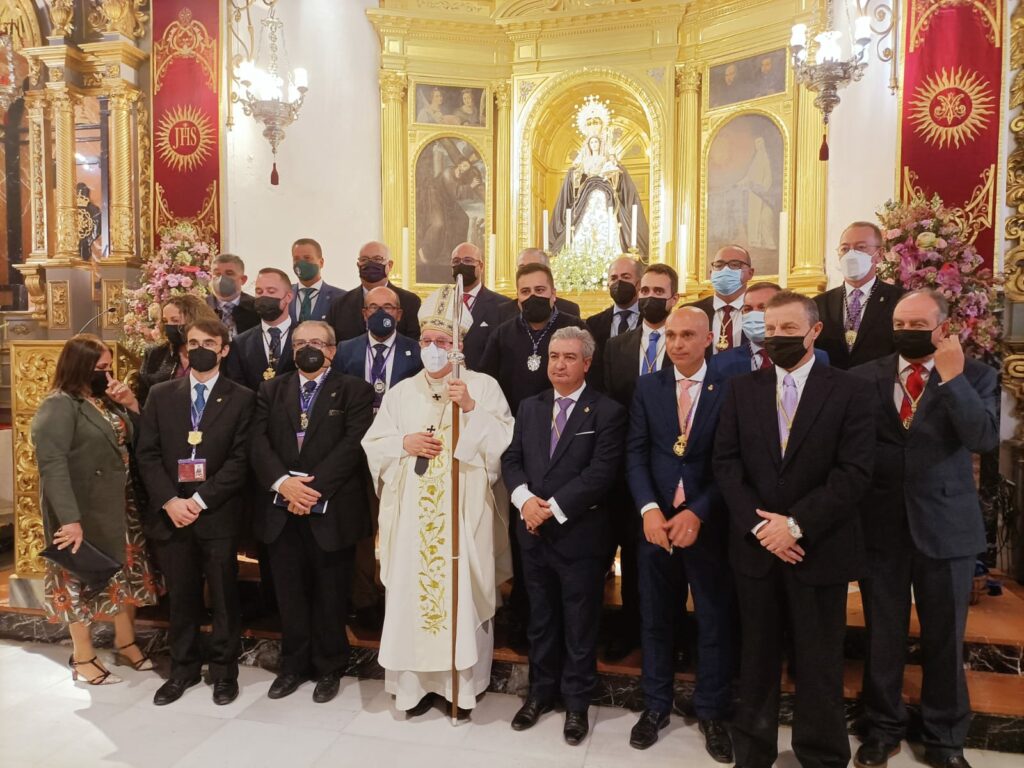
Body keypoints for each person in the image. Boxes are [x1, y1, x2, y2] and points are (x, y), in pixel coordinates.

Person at [713, 290, 874, 768]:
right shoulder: (742, 389)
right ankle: (752, 753)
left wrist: (797, 525)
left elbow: (854, 472)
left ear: (814, 331)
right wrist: (763, 528)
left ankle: (822, 755)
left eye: (788, 329)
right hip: (757, 548)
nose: (777, 337)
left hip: (819, 547)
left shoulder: (849, 390)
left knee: (819, 662)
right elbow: (726, 465)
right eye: (770, 329)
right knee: (756, 659)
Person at [851, 289, 999, 768]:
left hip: (946, 525)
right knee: (883, 635)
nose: (906, 332)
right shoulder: (863, 377)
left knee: (944, 638)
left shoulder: (977, 375)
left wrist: (952, 378)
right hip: (881, 526)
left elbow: (982, 438)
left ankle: (945, 738)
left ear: (942, 328)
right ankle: (882, 727)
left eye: (918, 325)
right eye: (900, 324)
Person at [362, 285, 514, 716]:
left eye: (443, 341)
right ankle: (413, 688)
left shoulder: (482, 387)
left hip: (464, 516)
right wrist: (404, 443)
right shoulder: (401, 392)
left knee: (461, 595)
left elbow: (503, 443)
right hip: (412, 519)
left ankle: (459, 689)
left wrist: (471, 408)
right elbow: (374, 444)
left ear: (459, 345)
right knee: (413, 595)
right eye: (427, 340)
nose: (433, 348)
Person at [502, 327, 626, 746]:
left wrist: (549, 509)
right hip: (533, 534)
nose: (559, 364)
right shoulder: (530, 406)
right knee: (540, 620)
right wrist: (525, 501)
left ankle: (576, 703)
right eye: (554, 356)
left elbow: (601, 474)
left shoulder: (607, 411)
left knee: (579, 623)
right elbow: (512, 459)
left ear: (587, 363)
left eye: (569, 357)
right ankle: (539, 693)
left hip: (580, 535)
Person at [626, 308, 735, 760]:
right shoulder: (647, 387)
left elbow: (732, 460)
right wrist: (649, 510)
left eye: (687, 335)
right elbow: (635, 454)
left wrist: (700, 511)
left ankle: (711, 711)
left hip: (707, 525)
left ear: (709, 339)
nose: (677, 344)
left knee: (713, 619)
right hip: (656, 526)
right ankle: (655, 705)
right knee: (655, 618)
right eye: (670, 335)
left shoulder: (730, 387)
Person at [249, 321, 375, 703]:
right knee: (289, 593)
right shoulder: (271, 389)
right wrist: (283, 484)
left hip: (331, 509)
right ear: (292, 350)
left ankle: (330, 666)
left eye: (316, 342)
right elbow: (257, 441)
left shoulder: (355, 389)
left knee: (331, 593)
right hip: (280, 507)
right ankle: (293, 666)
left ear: (332, 350)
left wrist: (310, 491)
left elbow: (353, 445)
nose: (308, 348)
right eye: (300, 342)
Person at [136, 319, 255, 706]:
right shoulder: (161, 394)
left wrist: (200, 501)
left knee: (223, 597)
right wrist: (170, 501)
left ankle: (224, 672)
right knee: (181, 598)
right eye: (193, 343)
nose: (200, 349)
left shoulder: (242, 397)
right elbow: (147, 454)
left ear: (224, 349)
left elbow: (240, 460)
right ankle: (183, 669)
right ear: (184, 349)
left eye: (209, 343)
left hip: (217, 514)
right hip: (172, 514)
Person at [32, 334, 161, 686]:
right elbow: (52, 464)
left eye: (109, 367)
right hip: (82, 510)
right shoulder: (59, 404)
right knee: (79, 580)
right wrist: (69, 520)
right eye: (101, 367)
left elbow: (138, 439)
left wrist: (131, 404)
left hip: (121, 505)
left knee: (124, 577)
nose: (107, 374)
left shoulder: (105, 401)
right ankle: (83, 656)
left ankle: (126, 642)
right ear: (80, 366)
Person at [599, 262, 680, 660]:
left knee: (670, 556)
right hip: (625, 466)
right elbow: (609, 404)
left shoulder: (684, 344)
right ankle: (630, 628)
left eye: (658, 292)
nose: (649, 297)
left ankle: (674, 637)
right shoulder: (617, 346)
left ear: (673, 298)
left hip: (670, 465)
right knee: (630, 549)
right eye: (645, 290)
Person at [481, 263, 589, 417]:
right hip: (513, 421)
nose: (532, 297)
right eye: (525, 291)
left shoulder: (576, 329)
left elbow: (593, 380)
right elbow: (487, 383)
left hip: (566, 420)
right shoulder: (501, 334)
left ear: (553, 294)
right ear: (518, 298)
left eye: (539, 290)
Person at [815, 221, 903, 369]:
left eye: (860, 247)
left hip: (879, 380)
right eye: (844, 249)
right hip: (831, 381)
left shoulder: (899, 300)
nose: (851, 254)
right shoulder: (819, 304)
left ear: (879, 255)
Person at [711, 281, 829, 378]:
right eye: (748, 309)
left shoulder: (817, 357)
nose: (754, 314)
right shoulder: (722, 362)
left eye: (763, 307)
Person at [333, 285, 423, 410]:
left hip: (399, 417)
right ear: (365, 314)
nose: (380, 313)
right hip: (358, 419)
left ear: (399, 314)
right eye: (373, 307)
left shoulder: (416, 351)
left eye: (387, 307)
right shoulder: (346, 350)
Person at [326, 241, 422, 342]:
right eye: (364, 259)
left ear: (389, 265)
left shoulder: (410, 302)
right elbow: (331, 344)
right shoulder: (340, 305)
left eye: (377, 259)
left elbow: (415, 343)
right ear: (358, 265)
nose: (370, 264)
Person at [136, 295, 218, 406]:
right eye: (165, 321)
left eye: (175, 320)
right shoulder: (155, 354)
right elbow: (142, 397)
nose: (169, 326)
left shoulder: (216, 353)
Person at [223, 268, 296, 390]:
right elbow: (236, 387)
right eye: (259, 291)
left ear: (288, 297)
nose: (264, 296)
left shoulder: (306, 337)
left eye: (271, 291)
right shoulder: (240, 343)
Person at [451, 242, 514, 370]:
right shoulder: (441, 301)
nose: (461, 265)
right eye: (456, 261)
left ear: (481, 266)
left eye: (468, 260)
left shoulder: (502, 305)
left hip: (486, 377)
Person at [688, 245, 754, 354]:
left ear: (750, 273)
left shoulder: (761, 310)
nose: (725, 270)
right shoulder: (691, 311)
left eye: (734, 265)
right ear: (711, 273)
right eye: (719, 265)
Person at [499, 249, 581, 320]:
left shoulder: (569, 310)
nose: (527, 272)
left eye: (534, 267)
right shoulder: (503, 312)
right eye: (522, 268)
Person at [586, 255, 643, 351]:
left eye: (626, 277)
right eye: (613, 278)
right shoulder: (593, 324)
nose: (619, 282)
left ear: (640, 283)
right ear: (608, 284)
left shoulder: (651, 320)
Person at [289, 237, 345, 323]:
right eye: (296, 259)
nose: (301, 263)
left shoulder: (341, 298)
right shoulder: (284, 295)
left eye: (307, 258)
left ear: (321, 262)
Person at [206, 253, 259, 339]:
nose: (222, 279)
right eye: (217, 274)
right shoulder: (200, 308)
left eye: (229, 273)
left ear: (243, 279)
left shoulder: (256, 308)